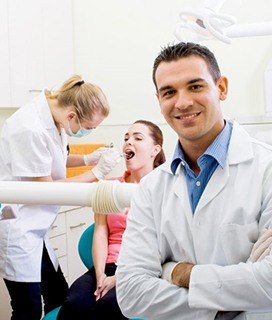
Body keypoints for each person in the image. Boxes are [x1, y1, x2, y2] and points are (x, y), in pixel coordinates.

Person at [115, 42, 272, 320]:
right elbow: (130, 293)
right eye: (169, 92)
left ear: (221, 88)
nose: (183, 102)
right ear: (159, 100)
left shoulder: (266, 168)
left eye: (195, 86)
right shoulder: (151, 188)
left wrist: (178, 272)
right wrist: (229, 302)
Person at [0, 75, 121, 320]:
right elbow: (47, 188)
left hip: (36, 228)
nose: (88, 133)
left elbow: (52, 159)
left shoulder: (55, 118)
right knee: (28, 309)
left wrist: (88, 159)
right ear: (72, 116)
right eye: (88, 128)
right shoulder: (29, 127)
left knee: (58, 296)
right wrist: (96, 173)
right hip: (17, 227)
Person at [57, 120, 166, 320]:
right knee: (74, 305)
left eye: (137, 138)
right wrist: (100, 276)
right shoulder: (108, 187)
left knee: (107, 307)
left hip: (142, 269)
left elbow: (164, 245)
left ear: (155, 150)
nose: (128, 142)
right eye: (126, 138)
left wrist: (119, 279)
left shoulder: (164, 190)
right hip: (107, 266)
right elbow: (100, 231)